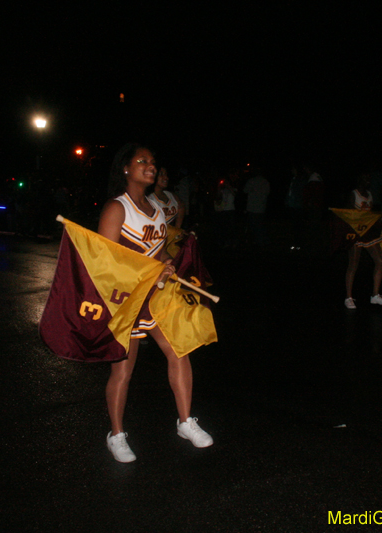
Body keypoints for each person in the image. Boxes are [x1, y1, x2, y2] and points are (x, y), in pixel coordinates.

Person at [97, 143, 213, 463]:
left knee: (179, 349)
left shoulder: (157, 209)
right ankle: (116, 435)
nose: (151, 166)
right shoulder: (116, 208)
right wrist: (146, 270)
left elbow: (158, 252)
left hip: (156, 294)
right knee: (123, 370)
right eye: (142, 161)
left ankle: (185, 421)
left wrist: (169, 263)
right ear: (125, 168)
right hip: (126, 299)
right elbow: (103, 264)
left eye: (152, 161)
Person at [344, 173, 382, 309]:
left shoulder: (369, 194)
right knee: (353, 264)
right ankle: (348, 297)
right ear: (360, 180)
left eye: (369, 179)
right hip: (356, 232)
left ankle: (375, 295)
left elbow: (369, 213)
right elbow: (348, 214)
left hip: (368, 232)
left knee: (380, 260)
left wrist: (377, 218)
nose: (368, 181)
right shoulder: (354, 194)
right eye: (365, 178)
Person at [243, 168, 271, 247]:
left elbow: (245, 190)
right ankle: (262, 240)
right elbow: (267, 193)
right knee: (260, 224)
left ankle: (257, 240)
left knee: (253, 225)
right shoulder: (265, 182)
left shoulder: (251, 181)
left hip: (252, 207)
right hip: (261, 207)